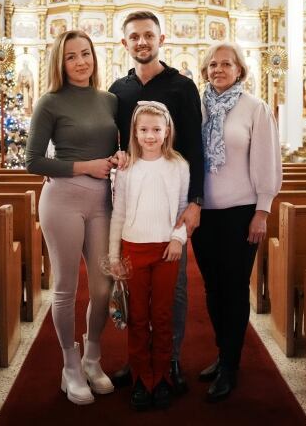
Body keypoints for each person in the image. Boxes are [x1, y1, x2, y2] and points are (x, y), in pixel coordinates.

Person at [109, 11, 204, 396]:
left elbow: (195, 147)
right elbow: (115, 141)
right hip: (135, 203)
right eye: (135, 37)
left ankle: (171, 360)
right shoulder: (118, 89)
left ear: (161, 39)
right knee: (138, 300)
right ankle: (138, 363)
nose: (142, 42)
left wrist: (196, 201)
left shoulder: (182, 86)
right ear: (125, 44)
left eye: (148, 35)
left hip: (172, 203)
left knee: (173, 292)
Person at [25, 30, 118, 405]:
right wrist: (85, 165)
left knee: (102, 287)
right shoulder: (49, 102)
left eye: (85, 54)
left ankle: (93, 356)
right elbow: (33, 160)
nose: (81, 62)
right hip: (62, 199)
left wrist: (120, 157)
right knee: (65, 287)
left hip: (103, 201)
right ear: (60, 64)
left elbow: (121, 143)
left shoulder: (109, 100)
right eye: (71, 57)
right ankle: (70, 365)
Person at [191, 42, 282, 402]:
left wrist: (263, 210)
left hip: (241, 213)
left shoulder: (254, 108)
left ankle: (231, 364)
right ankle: (223, 352)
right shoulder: (196, 106)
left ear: (240, 70)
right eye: (212, 64)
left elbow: (267, 161)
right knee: (213, 289)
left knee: (234, 288)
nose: (218, 69)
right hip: (203, 213)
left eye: (226, 64)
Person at [109, 101, 189, 410]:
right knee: (139, 317)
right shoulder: (128, 168)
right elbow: (119, 213)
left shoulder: (178, 165)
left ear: (167, 131)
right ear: (134, 132)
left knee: (163, 315)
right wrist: (114, 255)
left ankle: (163, 376)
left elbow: (183, 208)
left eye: (156, 129)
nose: (150, 136)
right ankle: (142, 378)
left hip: (167, 250)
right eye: (143, 130)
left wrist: (178, 238)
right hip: (134, 248)